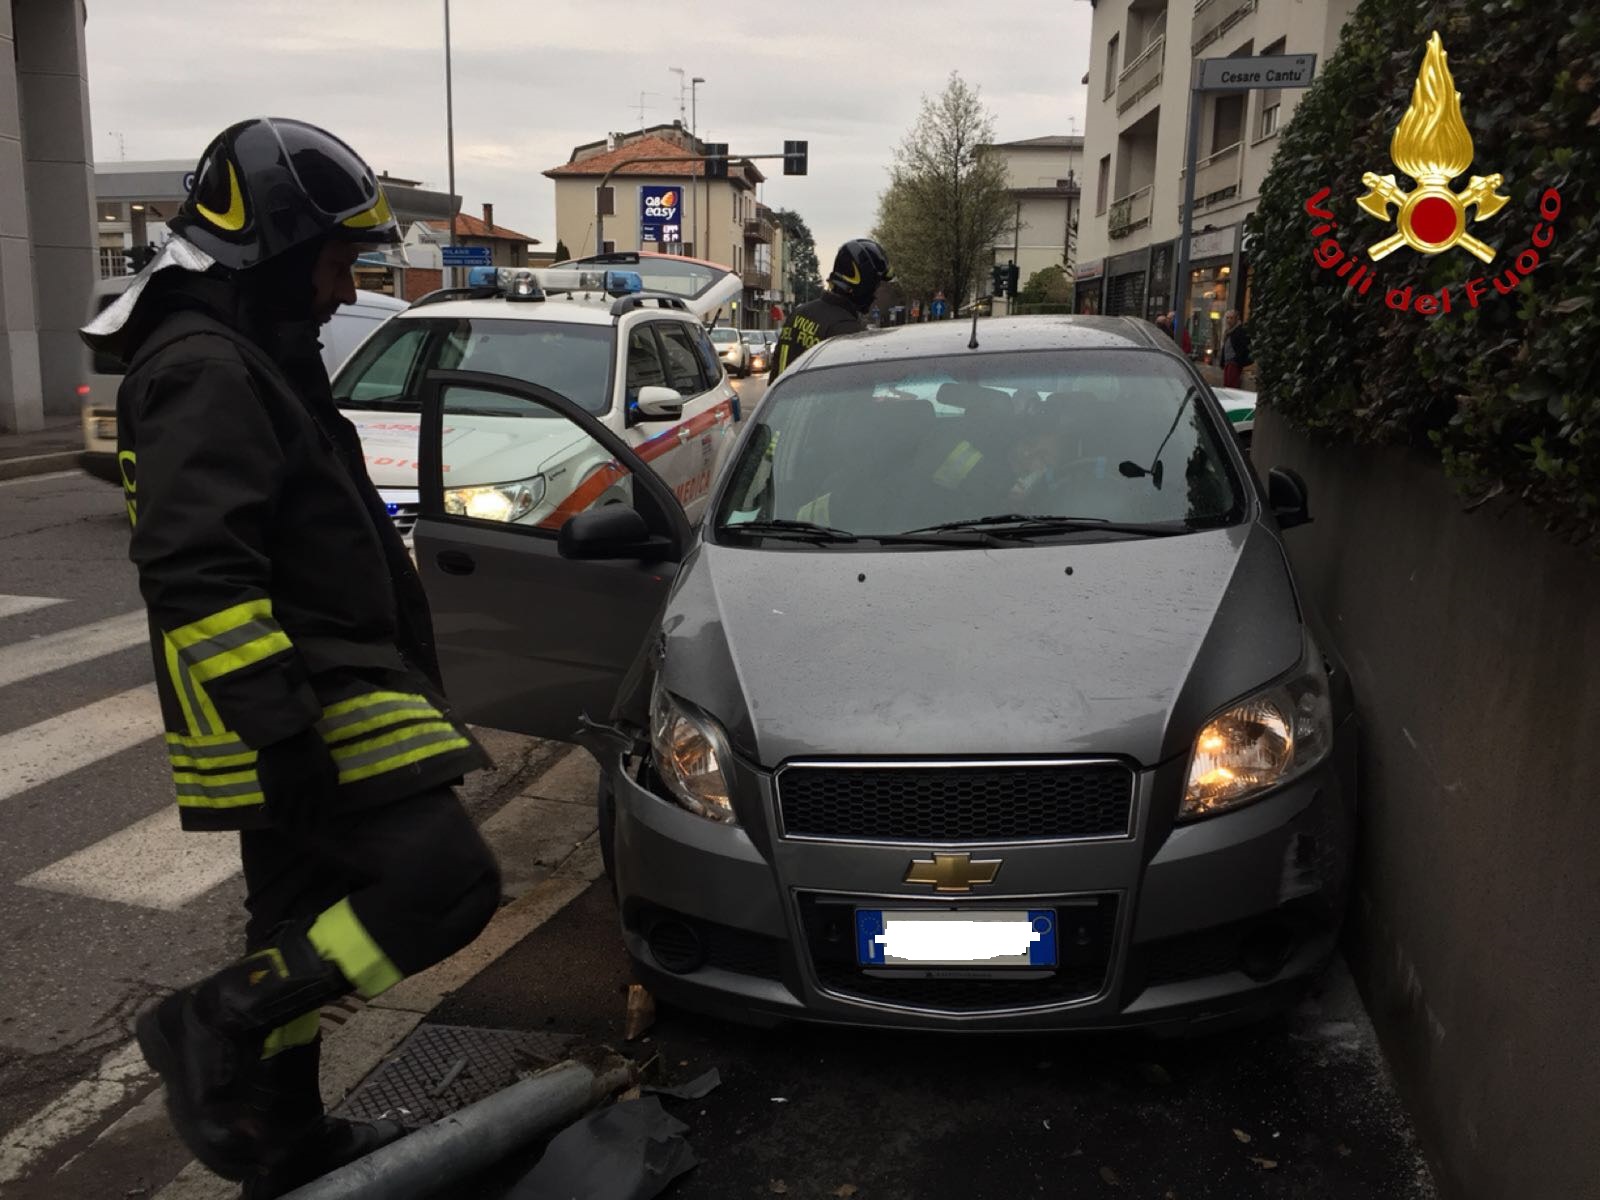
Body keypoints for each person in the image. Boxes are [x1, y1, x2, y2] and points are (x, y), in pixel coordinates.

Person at [80, 118, 500, 1198]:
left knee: (304, 926)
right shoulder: (207, 370)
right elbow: (196, 574)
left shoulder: (245, 352)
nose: (337, 288)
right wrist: (279, 724)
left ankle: (281, 1137)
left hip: (307, 685)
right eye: (331, 261)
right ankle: (214, 1018)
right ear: (265, 248)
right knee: (442, 885)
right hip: (303, 691)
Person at [768, 238, 892, 381]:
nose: (875, 295)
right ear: (863, 284)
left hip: (782, 401)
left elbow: (775, 372)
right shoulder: (846, 329)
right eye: (875, 286)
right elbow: (855, 389)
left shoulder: (799, 313)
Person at [1221, 309, 1253, 388]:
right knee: (1227, 384)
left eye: (1231, 318)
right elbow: (1225, 347)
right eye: (1227, 318)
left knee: (1231, 385)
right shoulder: (1228, 331)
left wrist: (1237, 360)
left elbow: (1243, 347)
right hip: (1228, 362)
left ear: (1236, 319)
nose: (1229, 320)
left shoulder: (1240, 331)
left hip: (1234, 363)